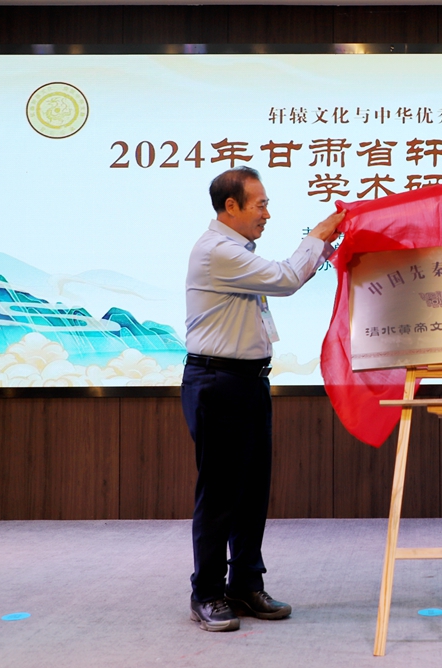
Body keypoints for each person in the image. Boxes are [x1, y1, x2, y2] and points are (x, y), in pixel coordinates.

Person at [182, 166, 343, 632]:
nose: (267, 214)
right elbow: (287, 278)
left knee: (252, 491)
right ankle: (207, 593)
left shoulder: (236, 252)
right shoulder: (217, 251)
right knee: (220, 494)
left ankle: (245, 585)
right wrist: (320, 233)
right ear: (230, 206)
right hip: (219, 382)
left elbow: (287, 278)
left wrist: (325, 246)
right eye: (261, 205)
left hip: (248, 382)